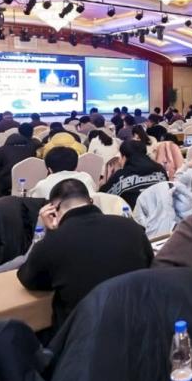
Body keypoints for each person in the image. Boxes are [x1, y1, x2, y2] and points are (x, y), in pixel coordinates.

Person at [18, 178, 153, 328]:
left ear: (53, 210)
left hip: (84, 334)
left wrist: (50, 232)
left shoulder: (53, 242)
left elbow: (28, 278)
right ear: (91, 202)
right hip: (141, 325)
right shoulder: (131, 227)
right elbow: (150, 262)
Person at [99, 140, 167, 207]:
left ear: (124, 158)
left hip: (135, 213)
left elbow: (102, 198)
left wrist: (107, 179)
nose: (119, 161)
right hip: (163, 210)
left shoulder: (121, 176)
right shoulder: (160, 169)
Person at [30, 146, 97, 199]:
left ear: (49, 169)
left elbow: (34, 201)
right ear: (76, 166)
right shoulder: (86, 177)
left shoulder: (42, 184)